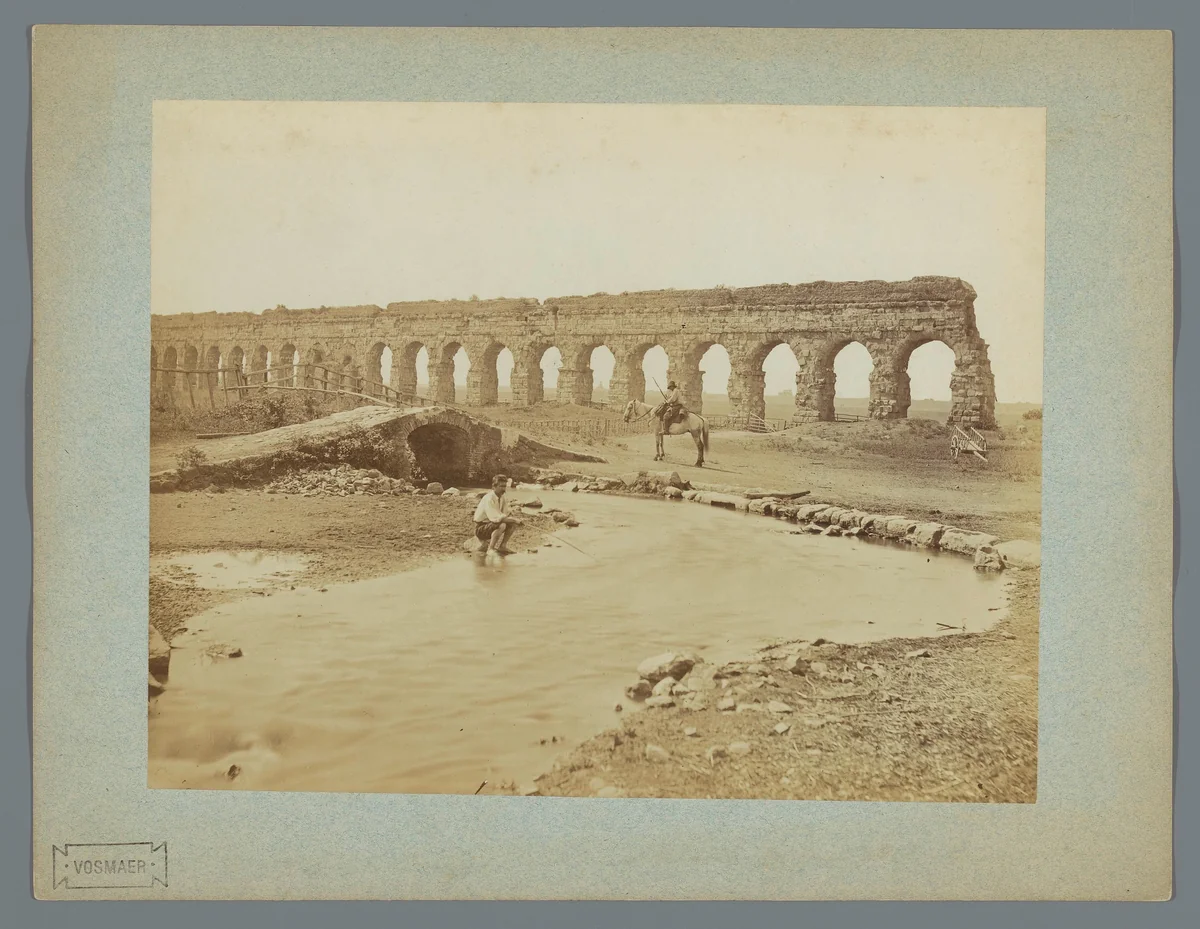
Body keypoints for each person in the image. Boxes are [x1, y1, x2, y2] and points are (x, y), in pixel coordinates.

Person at [472, 474, 522, 554]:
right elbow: (496, 519)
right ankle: (490, 549)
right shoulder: (489, 498)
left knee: (512, 523)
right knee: (502, 525)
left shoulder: (502, 497)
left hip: (490, 524)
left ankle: (503, 546)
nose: (503, 489)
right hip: (480, 528)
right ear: (493, 487)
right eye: (501, 486)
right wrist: (514, 519)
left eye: (504, 486)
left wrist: (514, 520)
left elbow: (505, 514)